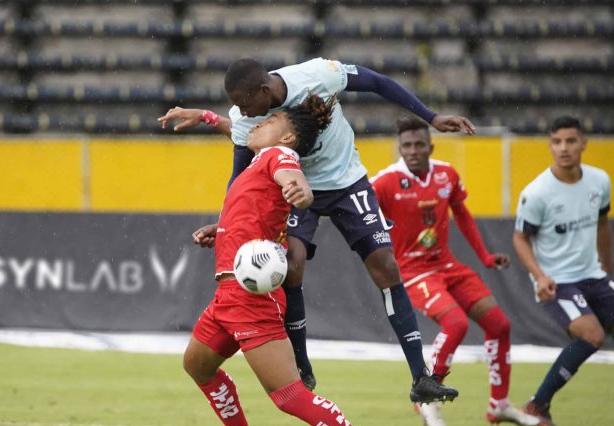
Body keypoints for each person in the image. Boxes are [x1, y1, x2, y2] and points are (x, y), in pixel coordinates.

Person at [160, 57, 471, 404]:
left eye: (245, 104)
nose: (242, 113)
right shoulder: (243, 119)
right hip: (294, 187)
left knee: (386, 265)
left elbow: (378, 82)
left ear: (264, 91)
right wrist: (226, 224)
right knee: (290, 267)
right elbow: (239, 179)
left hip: (346, 180)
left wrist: (431, 117)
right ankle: (303, 368)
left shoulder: (319, 75)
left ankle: (420, 377)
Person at [183, 94, 400, 426]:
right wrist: (224, 230)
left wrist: (299, 189)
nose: (258, 125)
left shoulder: (277, 158)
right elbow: (257, 206)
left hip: (251, 300)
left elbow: (291, 177)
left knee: (289, 395)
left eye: (269, 121)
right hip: (228, 292)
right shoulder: (259, 162)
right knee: (197, 365)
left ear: (286, 135)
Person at [370, 117, 540, 426]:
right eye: (407, 145)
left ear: (431, 146)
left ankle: (499, 405)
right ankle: (426, 397)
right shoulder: (384, 182)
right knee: (456, 323)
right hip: (412, 272)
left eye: (419, 144)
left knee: (499, 325)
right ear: (399, 148)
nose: (413, 150)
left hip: (447, 265)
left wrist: (486, 257)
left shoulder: (447, 174)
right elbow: (362, 217)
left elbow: (462, 215)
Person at [513, 115, 614, 426]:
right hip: (556, 281)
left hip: (594, 277)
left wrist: (606, 267)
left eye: (571, 141)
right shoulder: (537, 192)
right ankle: (538, 404)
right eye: (557, 142)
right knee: (592, 336)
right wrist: (540, 276)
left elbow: (603, 223)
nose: (564, 148)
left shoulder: (599, 181)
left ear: (583, 144)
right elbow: (519, 238)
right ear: (550, 145)